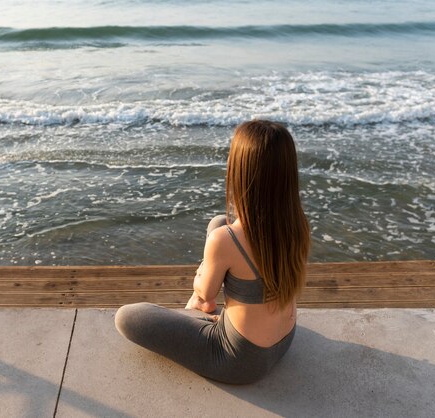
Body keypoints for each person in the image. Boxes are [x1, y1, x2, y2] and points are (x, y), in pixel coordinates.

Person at [115, 120, 310, 384]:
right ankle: (207, 303)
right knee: (219, 221)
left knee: (127, 317)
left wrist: (202, 273)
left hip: (241, 360)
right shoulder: (297, 224)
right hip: (286, 339)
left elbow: (206, 291)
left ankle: (200, 310)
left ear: (240, 171)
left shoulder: (227, 241)